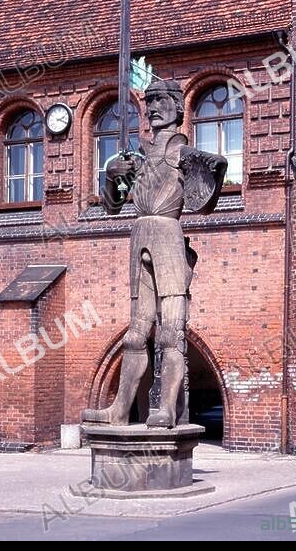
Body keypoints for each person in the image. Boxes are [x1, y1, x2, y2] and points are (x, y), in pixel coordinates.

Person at [82, 79, 226, 428]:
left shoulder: (183, 155)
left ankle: (167, 409)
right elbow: (112, 206)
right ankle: (119, 410)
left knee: (170, 333)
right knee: (135, 334)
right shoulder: (138, 158)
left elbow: (206, 198)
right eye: (149, 102)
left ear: (178, 107)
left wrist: (212, 169)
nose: (153, 109)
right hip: (140, 235)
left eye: (161, 100)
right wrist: (111, 177)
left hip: (168, 237)